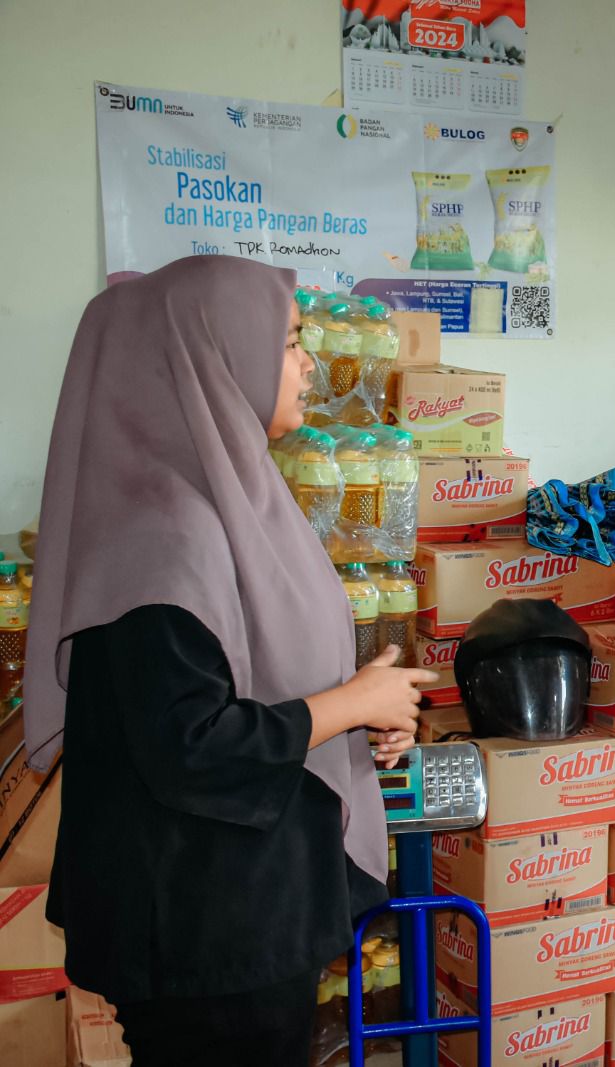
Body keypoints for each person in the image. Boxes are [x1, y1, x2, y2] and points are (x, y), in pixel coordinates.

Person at [23, 256, 437, 1064]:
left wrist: (366, 715)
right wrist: (351, 703)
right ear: (212, 356)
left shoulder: (225, 500)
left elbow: (258, 677)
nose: (308, 363)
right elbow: (193, 745)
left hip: (231, 907)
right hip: (201, 930)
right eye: (287, 341)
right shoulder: (161, 537)